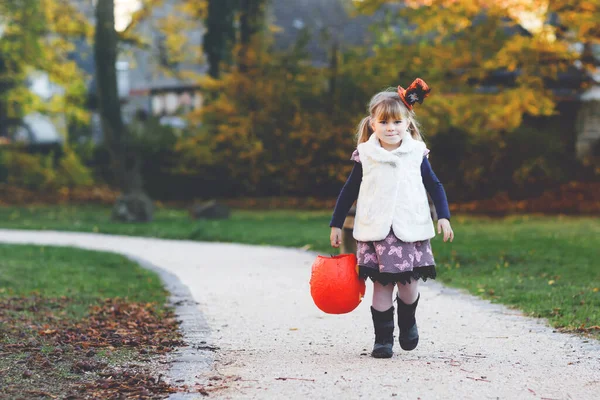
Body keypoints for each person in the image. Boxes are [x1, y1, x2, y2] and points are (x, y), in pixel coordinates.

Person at [329, 79, 454, 359]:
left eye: (397, 122)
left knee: (408, 287)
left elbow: (434, 185)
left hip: (410, 229)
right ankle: (383, 340)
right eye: (384, 122)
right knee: (382, 286)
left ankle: (407, 321)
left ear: (407, 123)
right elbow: (349, 189)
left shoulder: (416, 152)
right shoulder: (366, 154)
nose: (390, 128)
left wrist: (443, 216)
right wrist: (336, 223)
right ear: (373, 124)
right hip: (376, 232)